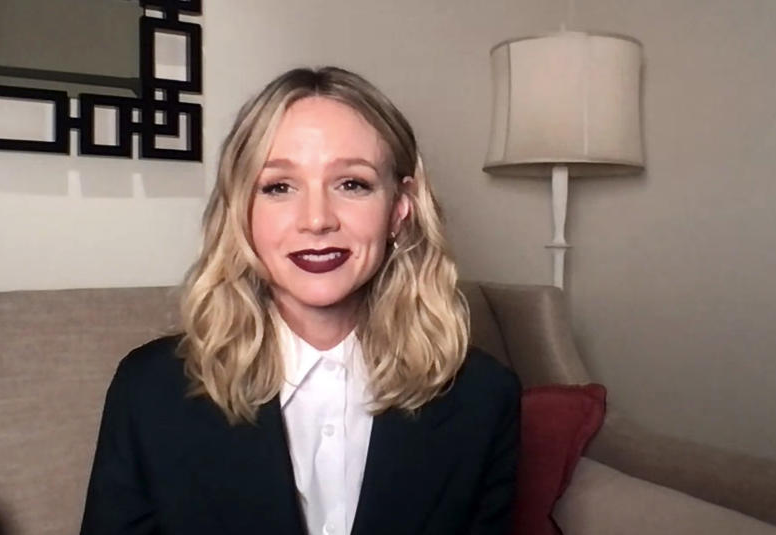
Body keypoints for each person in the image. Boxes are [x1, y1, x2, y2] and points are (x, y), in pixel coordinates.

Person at [80, 66, 520, 535]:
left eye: (352, 184)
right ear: (242, 212)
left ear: (399, 210)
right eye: (278, 187)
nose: (316, 220)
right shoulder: (149, 390)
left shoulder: (484, 398)